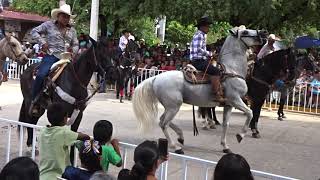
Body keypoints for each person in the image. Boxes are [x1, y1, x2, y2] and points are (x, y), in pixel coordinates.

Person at [30, 4, 79, 113]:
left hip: (67, 58)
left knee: (78, 77)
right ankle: (35, 101)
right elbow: (34, 31)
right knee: (41, 75)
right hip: (52, 56)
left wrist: (73, 52)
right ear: (58, 16)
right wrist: (43, 42)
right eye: (64, 16)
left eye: (68, 17)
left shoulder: (72, 31)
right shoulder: (48, 25)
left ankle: (77, 102)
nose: (66, 19)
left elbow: (76, 44)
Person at [39, 102, 90, 180]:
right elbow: (85, 137)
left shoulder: (42, 131)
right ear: (65, 118)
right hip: (59, 176)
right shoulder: (64, 133)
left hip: (42, 174)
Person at [190, 16, 224, 102]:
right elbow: (198, 49)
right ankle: (216, 94)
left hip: (199, 60)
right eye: (207, 26)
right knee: (216, 71)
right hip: (198, 61)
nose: (208, 28)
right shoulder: (200, 35)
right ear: (202, 27)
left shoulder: (201, 35)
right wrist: (210, 54)